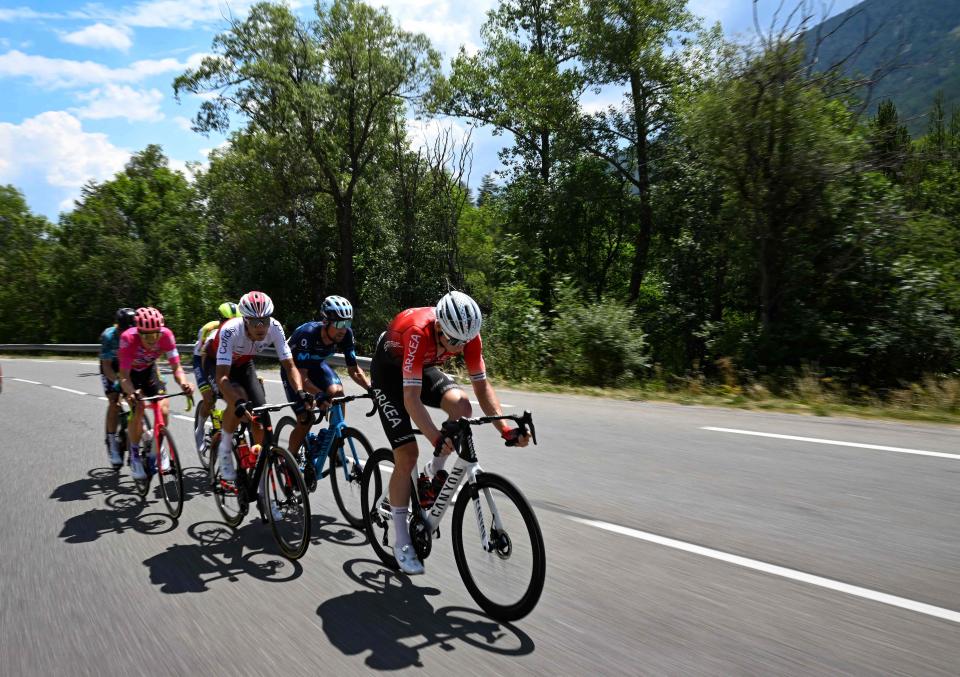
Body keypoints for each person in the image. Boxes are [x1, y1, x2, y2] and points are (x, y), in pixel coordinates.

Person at [370, 290, 530, 575]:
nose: (459, 348)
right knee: (407, 455)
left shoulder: (467, 335)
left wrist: (504, 429)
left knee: (463, 407)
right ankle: (401, 539)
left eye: (465, 342)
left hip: (422, 366)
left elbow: (481, 388)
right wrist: (435, 437)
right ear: (439, 326)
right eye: (454, 341)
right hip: (389, 373)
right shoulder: (419, 332)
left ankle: (433, 472)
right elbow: (410, 399)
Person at [208, 291, 311, 482]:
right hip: (218, 366)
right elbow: (222, 377)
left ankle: (259, 472)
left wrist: (300, 392)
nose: (261, 326)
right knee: (238, 400)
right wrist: (238, 402)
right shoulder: (231, 330)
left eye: (265, 319)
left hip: (244, 365)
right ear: (245, 320)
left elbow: (290, 366)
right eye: (255, 321)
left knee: (260, 417)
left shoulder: (275, 327)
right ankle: (224, 448)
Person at [282, 295, 371, 457]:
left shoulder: (346, 334)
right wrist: (318, 394)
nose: (343, 329)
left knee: (337, 393)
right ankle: (290, 460)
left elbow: (354, 369)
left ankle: (332, 440)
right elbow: (301, 376)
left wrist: (371, 388)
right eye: (339, 323)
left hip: (316, 365)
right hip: (294, 370)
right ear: (326, 322)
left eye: (347, 323)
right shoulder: (307, 335)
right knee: (306, 418)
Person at [118, 307, 195, 480]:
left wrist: (184, 383)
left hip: (149, 371)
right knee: (137, 409)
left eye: (155, 335)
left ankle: (156, 447)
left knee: (164, 408)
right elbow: (123, 377)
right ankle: (135, 455)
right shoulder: (128, 339)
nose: (152, 340)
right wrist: (131, 393)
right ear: (139, 332)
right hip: (130, 376)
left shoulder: (167, 335)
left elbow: (176, 367)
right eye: (147, 336)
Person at [192, 301, 241, 452]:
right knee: (209, 397)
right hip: (203, 359)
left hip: (223, 361)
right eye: (227, 322)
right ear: (221, 321)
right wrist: (209, 383)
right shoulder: (211, 332)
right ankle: (200, 428)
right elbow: (205, 359)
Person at [100, 307, 136, 467]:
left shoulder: (137, 334)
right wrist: (117, 381)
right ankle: (112, 441)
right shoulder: (109, 336)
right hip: (112, 367)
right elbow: (106, 366)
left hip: (128, 366)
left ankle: (133, 437)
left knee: (135, 400)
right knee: (114, 402)